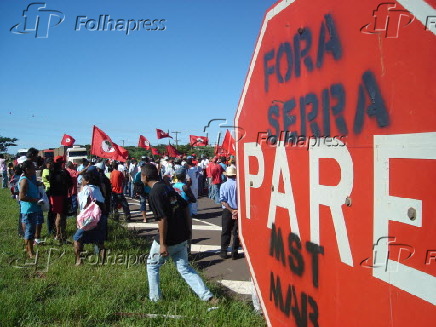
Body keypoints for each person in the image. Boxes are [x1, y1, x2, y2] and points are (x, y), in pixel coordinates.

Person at [141, 163, 216, 303]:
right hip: (181, 235)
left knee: (152, 266)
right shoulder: (167, 187)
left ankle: (155, 299)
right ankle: (207, 296)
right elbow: (185, 206)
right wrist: (188, 231)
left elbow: (162, 218)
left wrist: (163, 243)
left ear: (145, 177)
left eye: (141, 175)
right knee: (185, 268)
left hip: (168, 238)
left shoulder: (154, 193)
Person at [73, 171, 107, 265]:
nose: (81, 181)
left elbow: (83, 205)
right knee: (100, 241)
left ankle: (79, 261)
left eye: (83, 179)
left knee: (78, 238)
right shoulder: (98, 189)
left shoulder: (86, 189)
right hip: (100, 217)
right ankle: (103, 262)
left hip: (89, 219)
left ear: (87, 181)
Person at [19, 160, 44, 257]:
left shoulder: (30, 179)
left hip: (33, 208)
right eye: (32, 168)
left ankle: (28, 249)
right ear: (27, 169)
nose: (35, 169)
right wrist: (35, 200)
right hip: (29, 209)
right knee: (29, 231)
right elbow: (22, 196)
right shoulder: (24, 180)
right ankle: (31, 252)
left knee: (31, 230)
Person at [49, 156, 72, 243]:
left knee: (58, 215)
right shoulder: (63, 172)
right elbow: (70, 183)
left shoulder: (52, 172)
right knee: (62, 216)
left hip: (54, 196)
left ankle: (58, 234)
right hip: (62, 195)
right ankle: (61, 235)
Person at [219, 166, 240, 260]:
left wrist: (231, 210)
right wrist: (236, 211)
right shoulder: (239, 185)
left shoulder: (223, 185)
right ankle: (234, 253)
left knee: (225, 231)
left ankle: (223, 252)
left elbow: (223, 201)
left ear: (227, 176)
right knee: (236, 232)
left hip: (227, 210)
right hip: (238, 210)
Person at [42, 158, 55, 235]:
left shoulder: (51, 171)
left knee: (53, 211)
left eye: (51, 163)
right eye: (49, 163)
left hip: (52, 191)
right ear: (46, 164)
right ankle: (50, 230)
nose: (51, 164)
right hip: (48, 191)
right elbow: (50, 179)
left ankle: (52, 228)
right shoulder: (46, 171)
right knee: (51, 211)